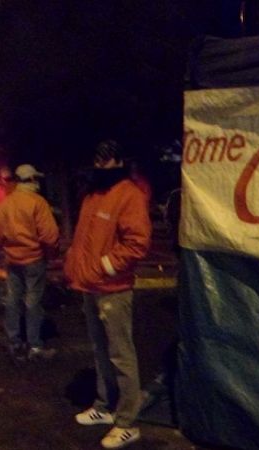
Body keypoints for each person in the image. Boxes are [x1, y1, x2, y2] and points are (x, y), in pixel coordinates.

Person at [64, 140, 152, 449]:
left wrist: (103, 266)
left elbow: (137, 243)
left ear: (119, 162)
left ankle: (128, 422)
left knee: (121, 355)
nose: (99, 166)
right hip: (91, 286)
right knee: (101, 352)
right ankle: (104, 407)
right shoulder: (94, 193)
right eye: (97, 160)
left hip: (113, 290)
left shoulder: (129, 194)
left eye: (106, 161)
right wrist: (78, 267)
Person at [0, 164, 60, 361]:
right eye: (35, 179)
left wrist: (7, 249)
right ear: (31, 180)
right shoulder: (37, 203)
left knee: (13, 299)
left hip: (13, 260)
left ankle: (13, 341)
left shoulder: (5, 204)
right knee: (33, 301)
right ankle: (34, 345)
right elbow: (50, 235)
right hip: (34, 259)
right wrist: (51, 254)